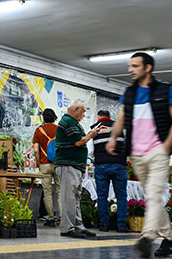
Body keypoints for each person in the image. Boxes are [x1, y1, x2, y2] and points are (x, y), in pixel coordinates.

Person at [106, 52, 172, 258]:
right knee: (152, 198)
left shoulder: (166, 90)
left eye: (135, 66)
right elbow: (122, 118)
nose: (130, 70)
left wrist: (167, 145)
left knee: (153, 195)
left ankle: (147, 237)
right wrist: (113, 138)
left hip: (158, 151)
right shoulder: (129, 93)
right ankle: (169, 239)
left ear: (148, 68)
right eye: (129, 66)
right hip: (136, 155)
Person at [55, 100, 101, 239]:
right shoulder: (68, 121)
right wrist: (91, 135)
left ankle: (78, 226)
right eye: (83, 111)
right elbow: (78, 142)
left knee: (75, 198)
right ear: (76, 109)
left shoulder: (72, 122)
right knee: (69, 198)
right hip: (68, 165)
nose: (84, 114)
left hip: (74, 166)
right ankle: (67, 228)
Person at [90, 110, 129, 233]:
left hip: (101, 165)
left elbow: (90, 151)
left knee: (102, 196)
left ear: (99, 117)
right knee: (121, 196)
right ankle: (121, 225)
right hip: (119, 164)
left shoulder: (93, 128)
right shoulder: (119, 127)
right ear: (109, 117)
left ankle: (104, 225)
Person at [32, 108, 60, 227]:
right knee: (60, 191)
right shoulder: (59, 130)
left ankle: (51, 219)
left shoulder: (39, 131)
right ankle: (63, 218)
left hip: (45, 164)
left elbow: (36, 150)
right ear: (54, 118)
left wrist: (39, 163)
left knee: (47, 192)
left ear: (43, 118)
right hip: (58, 164)